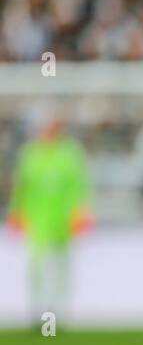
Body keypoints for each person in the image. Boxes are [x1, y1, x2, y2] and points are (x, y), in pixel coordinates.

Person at [7, 114, 91, 328]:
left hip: (63, 221)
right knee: (38, 267)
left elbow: (79, 186)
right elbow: (21, 187)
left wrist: (81, 212)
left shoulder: (69, 154)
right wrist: (16, 212)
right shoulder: (31, 154)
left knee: (61, 267)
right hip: (38, 221)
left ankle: (59, 313)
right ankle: (39, 311)